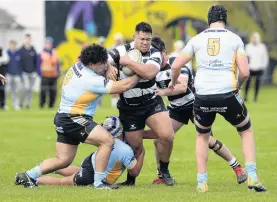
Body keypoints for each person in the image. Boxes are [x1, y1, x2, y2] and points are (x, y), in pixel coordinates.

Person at [15, 44, 140, 189]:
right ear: (92, 65)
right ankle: (99, 183)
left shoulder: (78, 65)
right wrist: (139, 73)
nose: (106, 66)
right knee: (107, 141)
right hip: (74, 118)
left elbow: (104, 59)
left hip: (62, 116)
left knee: (63, 160)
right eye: (103, 64)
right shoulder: (91, 79)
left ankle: (29, 175)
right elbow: (123, 86)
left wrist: (109, 66)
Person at [170, 5, 267, 192]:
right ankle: (253, 177)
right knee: (245, 130)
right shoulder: (235, 39)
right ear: (225, 20)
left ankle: (202, 183)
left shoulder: (196, 39)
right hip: (227, 92)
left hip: (203, 95)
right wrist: (237, 87)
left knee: (202, 135)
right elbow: (245, 72)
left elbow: (176, 66)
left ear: (208, 20)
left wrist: (173, 82)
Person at [143, 37, 247, 185]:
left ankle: (237, 168)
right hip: (177, 109)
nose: (154, 59)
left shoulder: (176, 63)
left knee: (209, 141)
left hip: (195, 105)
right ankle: (162, 175)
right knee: (160, 138)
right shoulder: (153, 68)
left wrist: (162, 92)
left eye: (157, 55)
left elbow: (183, 86)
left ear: (164, 52)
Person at [108, 22, 175, 186]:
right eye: (142, 39)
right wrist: (107, 68)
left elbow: (150, 72)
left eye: (148, 39)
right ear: (134, 37)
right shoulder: (121, 51)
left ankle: (164, 170)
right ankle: (131, 180)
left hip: (151, 102)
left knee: (167, 135)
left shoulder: (155, 52)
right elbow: (102, 60)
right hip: (129, 108)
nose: (145, 42)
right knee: (136, 147)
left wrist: (128, 63)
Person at [36, 116, 144, 186]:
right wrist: (142, 153)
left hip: (92, 162)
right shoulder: (125, 150)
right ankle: (33, 179)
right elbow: (134, 171)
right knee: (61, 182)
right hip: (91, 173)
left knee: (79, 170)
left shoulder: (104, 139)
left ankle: (46, 167)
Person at [244, 32, 269, 102]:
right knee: (248, 83)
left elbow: (265, 57)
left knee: (257, 83)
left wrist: (263, 66)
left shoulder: (262, 47)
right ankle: (245, 96)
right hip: (250, 68)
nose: (253, 39)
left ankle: (255, 98)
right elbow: (245, 57)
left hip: (259, 68)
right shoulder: (248, 46)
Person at [37, 37, 60, 109]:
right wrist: (39, 73)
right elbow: (38, 64)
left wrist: (58, 72)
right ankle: (42, 104)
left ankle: (51, 105)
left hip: (53, 75)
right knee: (43, 91)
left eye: (50, 43)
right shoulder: (41, 53)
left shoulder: (55, 53)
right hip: (45, 75)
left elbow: (57, 64)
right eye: (47, 43)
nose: (48, 45)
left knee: (53, 91)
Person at [19, 34, 37, 109]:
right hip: (24, 73)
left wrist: (36, 71)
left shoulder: (33, 49)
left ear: (30, 40)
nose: (28, 40)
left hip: (32, 73)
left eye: (29, 39)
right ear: (24, 40)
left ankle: (28, 104)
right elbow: (19, 62)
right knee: (25, 88)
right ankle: (20, 103)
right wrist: (20, 72)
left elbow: (36, 61)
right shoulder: (21, 50)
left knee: (30, 89)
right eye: (26, 39)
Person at [5, 40, 22, 110]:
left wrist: (20, 73)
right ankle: (4, 104)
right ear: (9, 45)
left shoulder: (18, 53)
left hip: (16, 74)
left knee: (16, 91)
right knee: (6, 90)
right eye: (11, 45)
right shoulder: (7, 53)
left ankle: (15, 104)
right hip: (8, 74)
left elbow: (21, 64)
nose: (13, 46)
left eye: (14, 45)